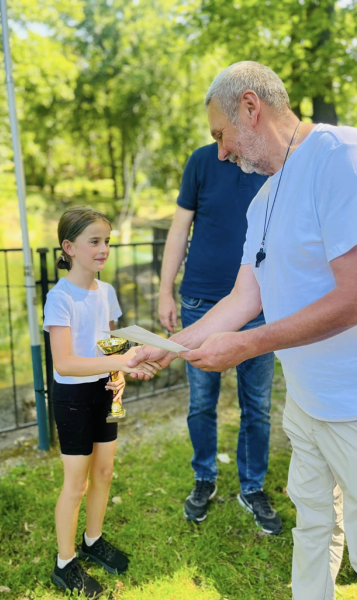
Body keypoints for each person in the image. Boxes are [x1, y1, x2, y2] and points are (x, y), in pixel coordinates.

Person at [129, 61, 357, 600]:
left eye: (221, 135)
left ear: (251, 108)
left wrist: (251, 343)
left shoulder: (338, 158)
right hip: (305, 403)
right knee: (312, 526)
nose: (223, 152)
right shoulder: (263, 198)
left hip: (351, 404)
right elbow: (242, 298)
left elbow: (352, 296)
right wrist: (170, 347)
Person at [158, 145, 279, 531]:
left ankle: (252, 487)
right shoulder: (200, 161)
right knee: (202, 402)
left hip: (260, 302)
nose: (222, 140)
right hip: (200, 301)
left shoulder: (271, 160)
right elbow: (179, 229)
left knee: (257, 406)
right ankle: (204, 478)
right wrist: (164, 291)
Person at [43, 206, 158, 598]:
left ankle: (93, 541)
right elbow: (65, 362)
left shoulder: (106, 292)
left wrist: (121, 374)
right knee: (76, 484)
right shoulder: (59, 298)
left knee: (104, 472)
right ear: (69, 247)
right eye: (95, 241)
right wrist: (120, 361)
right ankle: (64, 563)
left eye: (107, 241)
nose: (104, 248)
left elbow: (110, 341)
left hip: (103, 392)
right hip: (73, 396)